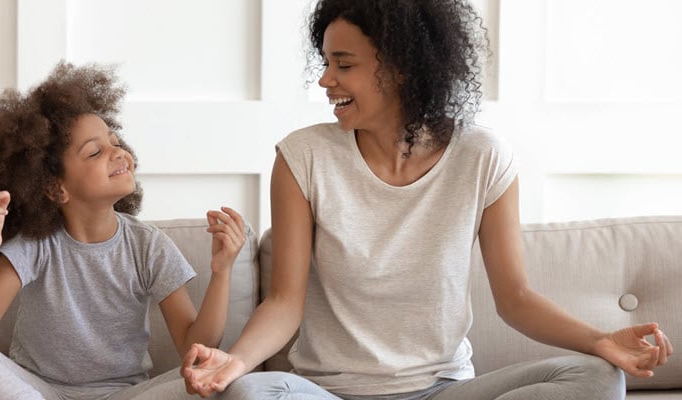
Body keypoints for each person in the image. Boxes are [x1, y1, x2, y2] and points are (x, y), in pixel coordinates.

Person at [180, 0, 674, 399]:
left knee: (598, 379)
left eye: (343, 64)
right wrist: (237, 360)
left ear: (402, 67)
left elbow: (516, 299)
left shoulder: (483, 157)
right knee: (250, 392)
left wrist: (600, 340)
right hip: (326, 393)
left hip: (444, 390)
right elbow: (286, 301)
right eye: (326, 62)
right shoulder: (302, 156)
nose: (325, 80)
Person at [0, 61, 247, 400]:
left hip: (125, 394)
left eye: (115, 141)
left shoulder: (148, 245)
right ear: (55, 188)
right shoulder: (36, 246)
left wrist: (221, 271)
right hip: (39, 391)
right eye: (95, 151)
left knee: (218, 377)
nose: (118, 151)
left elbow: (195, 349)